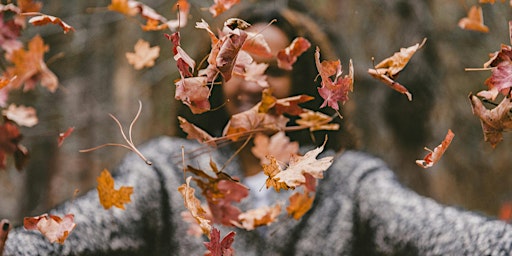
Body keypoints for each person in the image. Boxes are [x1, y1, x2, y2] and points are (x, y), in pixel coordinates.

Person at [3, 2, 512, 255]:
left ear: (307, 85)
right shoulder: (168, 172)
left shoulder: (348, 182)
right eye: (239, 66)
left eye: (275, 67)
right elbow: (72, 234)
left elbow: (434, 230)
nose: (254, 82)